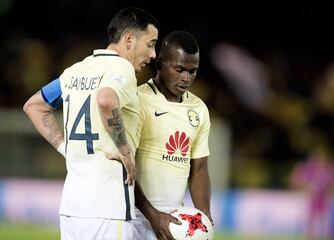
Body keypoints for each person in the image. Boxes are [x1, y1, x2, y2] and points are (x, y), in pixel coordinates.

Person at [23, 7, 159, 240]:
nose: (153, 54)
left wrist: (63, 147)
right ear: (129, 40)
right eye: (150, 44)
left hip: (72, 208)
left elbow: (34, 106)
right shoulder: (122, 69)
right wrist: (125, 151)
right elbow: (106, 99)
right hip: (107, 207)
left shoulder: (75, 71)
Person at [131, 30, 213, 239]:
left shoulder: (199, 109)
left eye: (192, 71)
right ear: (160, 64)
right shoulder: (137, 100)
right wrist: (152, 216)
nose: (187, 78)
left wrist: (204, 216)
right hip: (134, 219)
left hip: (176, 223)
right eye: (180, 69)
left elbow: (199, 169)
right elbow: (124, 167)